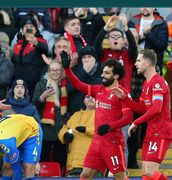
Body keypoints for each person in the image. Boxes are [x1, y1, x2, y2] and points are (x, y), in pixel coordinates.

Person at [61, 52, 133, 180]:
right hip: (96, 142)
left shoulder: (122, 93)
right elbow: (78, 84)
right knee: (85, 175)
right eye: (103, 72)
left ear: (116, 75)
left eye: (106, 73)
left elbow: (128, 118)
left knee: (120, 175)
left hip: (112, 143)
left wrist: (109, 127)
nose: (102, 75)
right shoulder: (98, 89)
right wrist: (67, 69)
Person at [113, 49, 172, 180]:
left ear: (147, 63)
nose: (135, 64)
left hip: (161, 130)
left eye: (138, 60)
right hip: (152, 130)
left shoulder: (158, 82)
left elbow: (156, 109)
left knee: (151, 172)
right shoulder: (146, 83)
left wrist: (136, 122)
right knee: (145, 173)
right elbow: (142, 109)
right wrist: (125, 99)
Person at [0, 112, 43, 180]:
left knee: (28, 168)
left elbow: (17, 171)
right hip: (12, 131)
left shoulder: (8, 144)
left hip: (31, 130)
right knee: (6, 167)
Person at [58, 95, 96, 177]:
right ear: (83, 100)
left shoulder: (102, 115)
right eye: (87, 97)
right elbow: (64, 129)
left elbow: (104, 133)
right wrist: (65, 135)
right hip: (74, 163)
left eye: (93, 96)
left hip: (94, 164)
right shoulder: (75, 115)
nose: (90, 98)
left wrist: (86, 130)